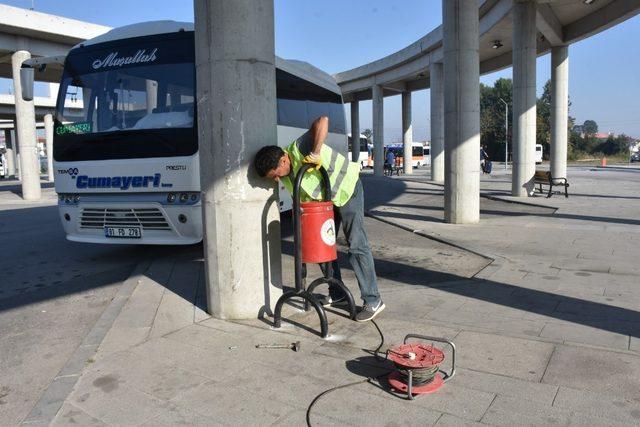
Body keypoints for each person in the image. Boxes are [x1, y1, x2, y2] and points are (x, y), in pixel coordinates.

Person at [254, 116, 385, 322]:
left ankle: (373, 300)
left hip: (347, 190)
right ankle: (338, 294)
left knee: (357, 244)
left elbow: (322, 120)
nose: (277, 179)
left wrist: (315, 152)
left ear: (283, 160)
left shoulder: (300, 147)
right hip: (326, 203)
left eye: (275, 174)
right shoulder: (288, 176)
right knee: (324, 245)